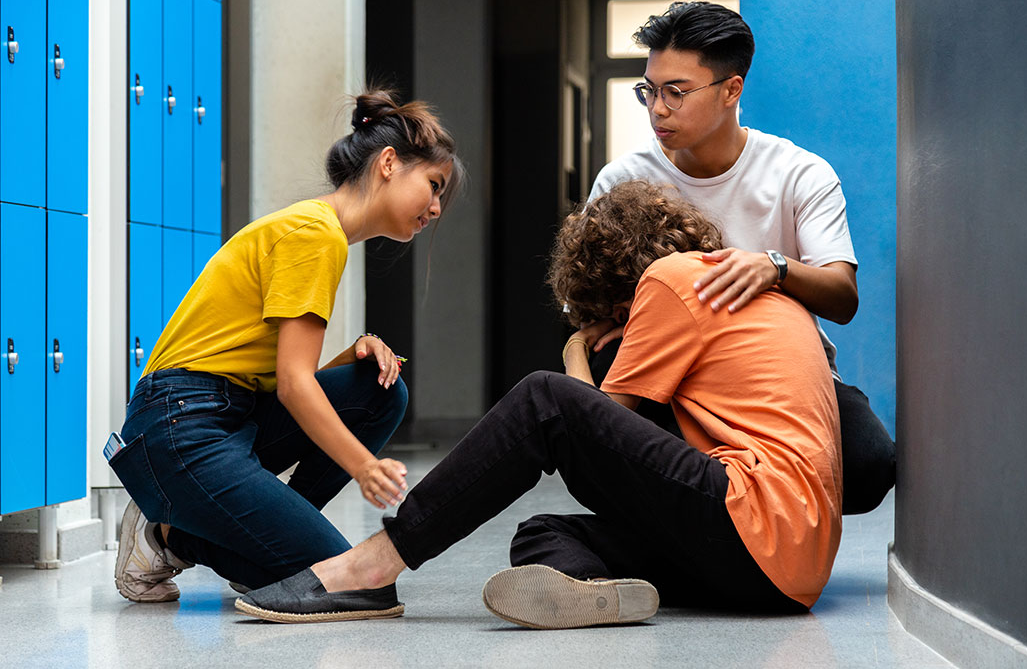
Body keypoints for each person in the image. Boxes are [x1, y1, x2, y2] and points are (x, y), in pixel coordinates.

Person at [233, 181, 842, 628]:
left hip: (753, 518)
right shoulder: (753, 292)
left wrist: (577, 347)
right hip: (786, 574)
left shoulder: (673, 278)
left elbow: (596, 422)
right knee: (544, 534)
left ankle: (372, 567)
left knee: (544, 399)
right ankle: (599, 591)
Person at [110, 90, 462, 604]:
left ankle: (261, 543)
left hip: (229, 412)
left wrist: (356, 353)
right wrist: (366, 467)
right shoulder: (315, 234)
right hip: (180, 426)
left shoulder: (320, 231)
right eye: (433, 186)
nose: (435, 208)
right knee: (359, 583)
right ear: (389, 163)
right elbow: (296, 386)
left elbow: (285, 375)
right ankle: (163, 536)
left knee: (380, 390)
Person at [588, 1, 895, 515]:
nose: (657, 108)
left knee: (869, 466)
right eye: (650, 90)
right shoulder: (622, 181)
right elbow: (592, 309)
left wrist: (773, 268)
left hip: (781, 373)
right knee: (618, 430)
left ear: (732, 90)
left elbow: (842, 296)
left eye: (676, 92)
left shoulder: (799, 173)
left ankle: (744, 514)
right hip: (670, 377)